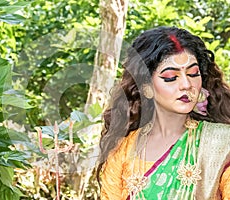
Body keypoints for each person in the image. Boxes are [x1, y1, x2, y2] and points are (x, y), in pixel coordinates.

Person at [97, 26, 230, 199]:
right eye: (170, 77)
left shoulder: (221, 143)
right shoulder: (122, 151)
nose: (186, 84)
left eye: (193, 73)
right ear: (146, 88)